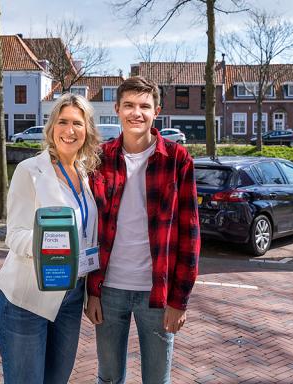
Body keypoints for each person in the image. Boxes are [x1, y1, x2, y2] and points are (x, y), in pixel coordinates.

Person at [85, 76, 201, 384]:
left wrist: (179, 299)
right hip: (109, 290)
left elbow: (190, 232)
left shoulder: (177, 159)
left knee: (156, 380)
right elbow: (92, 227)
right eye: (129, 105)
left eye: (144, 106)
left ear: (156, 111)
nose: (136, 113)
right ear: (117, 109)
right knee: (108, 378)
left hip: (157, 293)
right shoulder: (101, 158)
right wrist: (92, 292)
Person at [0, 93, 101, 384]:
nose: (70, 130)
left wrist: (91, 293)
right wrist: (52, 246)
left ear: (87, 130)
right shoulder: (29, 171)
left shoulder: (85, 173)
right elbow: (14, 236)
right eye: (63, 122)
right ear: (52, 127)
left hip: (72, 297)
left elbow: (88, 237)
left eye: (77, 123)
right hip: (27, 299)